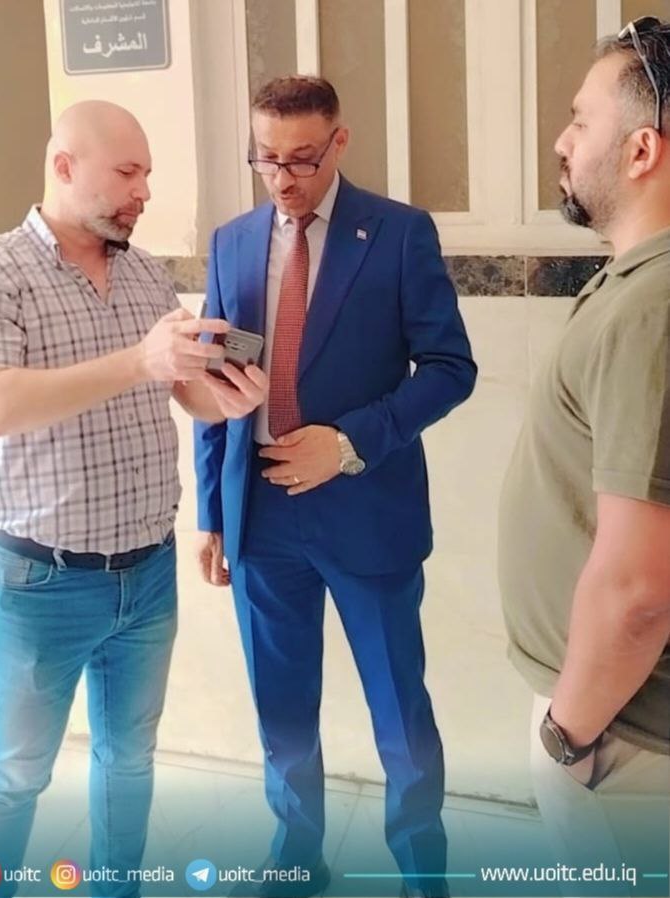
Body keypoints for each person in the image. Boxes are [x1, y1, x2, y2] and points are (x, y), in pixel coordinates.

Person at [0, 100, 268, 897]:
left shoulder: (146, 272)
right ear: (64, 167)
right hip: (38, 582)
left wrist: (231, 401)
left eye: (146, 174)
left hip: (146, 574)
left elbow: (186, 390)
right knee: (17, 771)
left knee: (129, 759)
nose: (144, 191)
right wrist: (138, 362)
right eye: (127, 173)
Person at [194, 76, 476, 898]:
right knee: (281, 708)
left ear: (339, 142)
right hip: (262, 516)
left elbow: (450, 369)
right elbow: (217, 382)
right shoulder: (232, 242)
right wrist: (212, 510)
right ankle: (295, 861)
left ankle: (422, 874)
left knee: (399, 712)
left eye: (302, 159)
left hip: (367, 510)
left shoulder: (397, 233)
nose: (283, 179)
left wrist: (349, 443)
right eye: (266, 159)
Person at [499, 16, 670, 888]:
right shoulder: (635, 283)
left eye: (579, 120)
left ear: (642, 150)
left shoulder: (655, 306)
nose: (562, 142)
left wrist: (566, 734)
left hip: (620, 740)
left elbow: (640, 590)